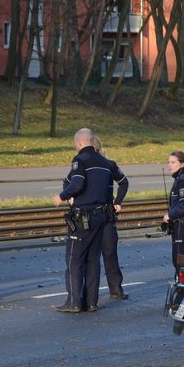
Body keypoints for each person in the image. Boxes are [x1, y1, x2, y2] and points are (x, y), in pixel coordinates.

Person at [53, 128, 114, 314]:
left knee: (74, 258)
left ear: (79, 143)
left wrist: (62, 197)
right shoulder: (105, 162)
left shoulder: (80, 160)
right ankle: (91, 302)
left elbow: (77, 183)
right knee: (93, 260)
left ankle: (74, 301)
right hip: (101, 217)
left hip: (83, 218)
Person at [93, 136, 130, 301]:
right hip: (91, 215)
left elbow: (124, 182)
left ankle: (116, 290)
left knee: (109, 253)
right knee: (102, 254)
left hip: (106, 214)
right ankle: (92, 292)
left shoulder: (109, 165)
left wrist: (118, 202)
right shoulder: (82, 165)